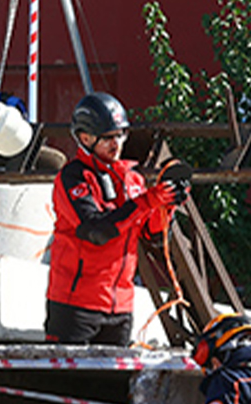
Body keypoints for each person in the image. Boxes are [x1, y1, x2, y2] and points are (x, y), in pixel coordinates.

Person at [44, 91, 180, 344]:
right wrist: (149, 200)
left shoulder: (134, 179)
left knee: (115, 384)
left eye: (120, 135)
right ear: (85, 138)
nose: (116, 143)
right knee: (70, 383)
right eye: (107, 138)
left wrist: (167, 204)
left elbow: (154, 236)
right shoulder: (72, 177)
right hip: (75, 306)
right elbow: (96, 230)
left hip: (120, 308)